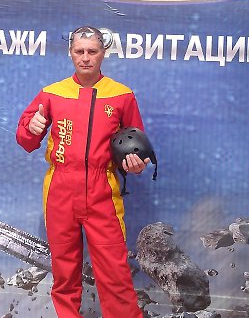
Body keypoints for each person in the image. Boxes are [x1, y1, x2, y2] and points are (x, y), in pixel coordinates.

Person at [16, 26, 149, 318]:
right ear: (70, 53)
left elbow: (136, 147)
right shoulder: (51, 93)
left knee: (115, 272)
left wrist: (136, 163)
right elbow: (26, 140)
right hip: (60, 190)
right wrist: (32, 128)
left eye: (92, 51)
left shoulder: (122, 95)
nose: (85, 58)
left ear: (103, 53)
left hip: (103, 191)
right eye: (79, 51)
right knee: (64, 273)